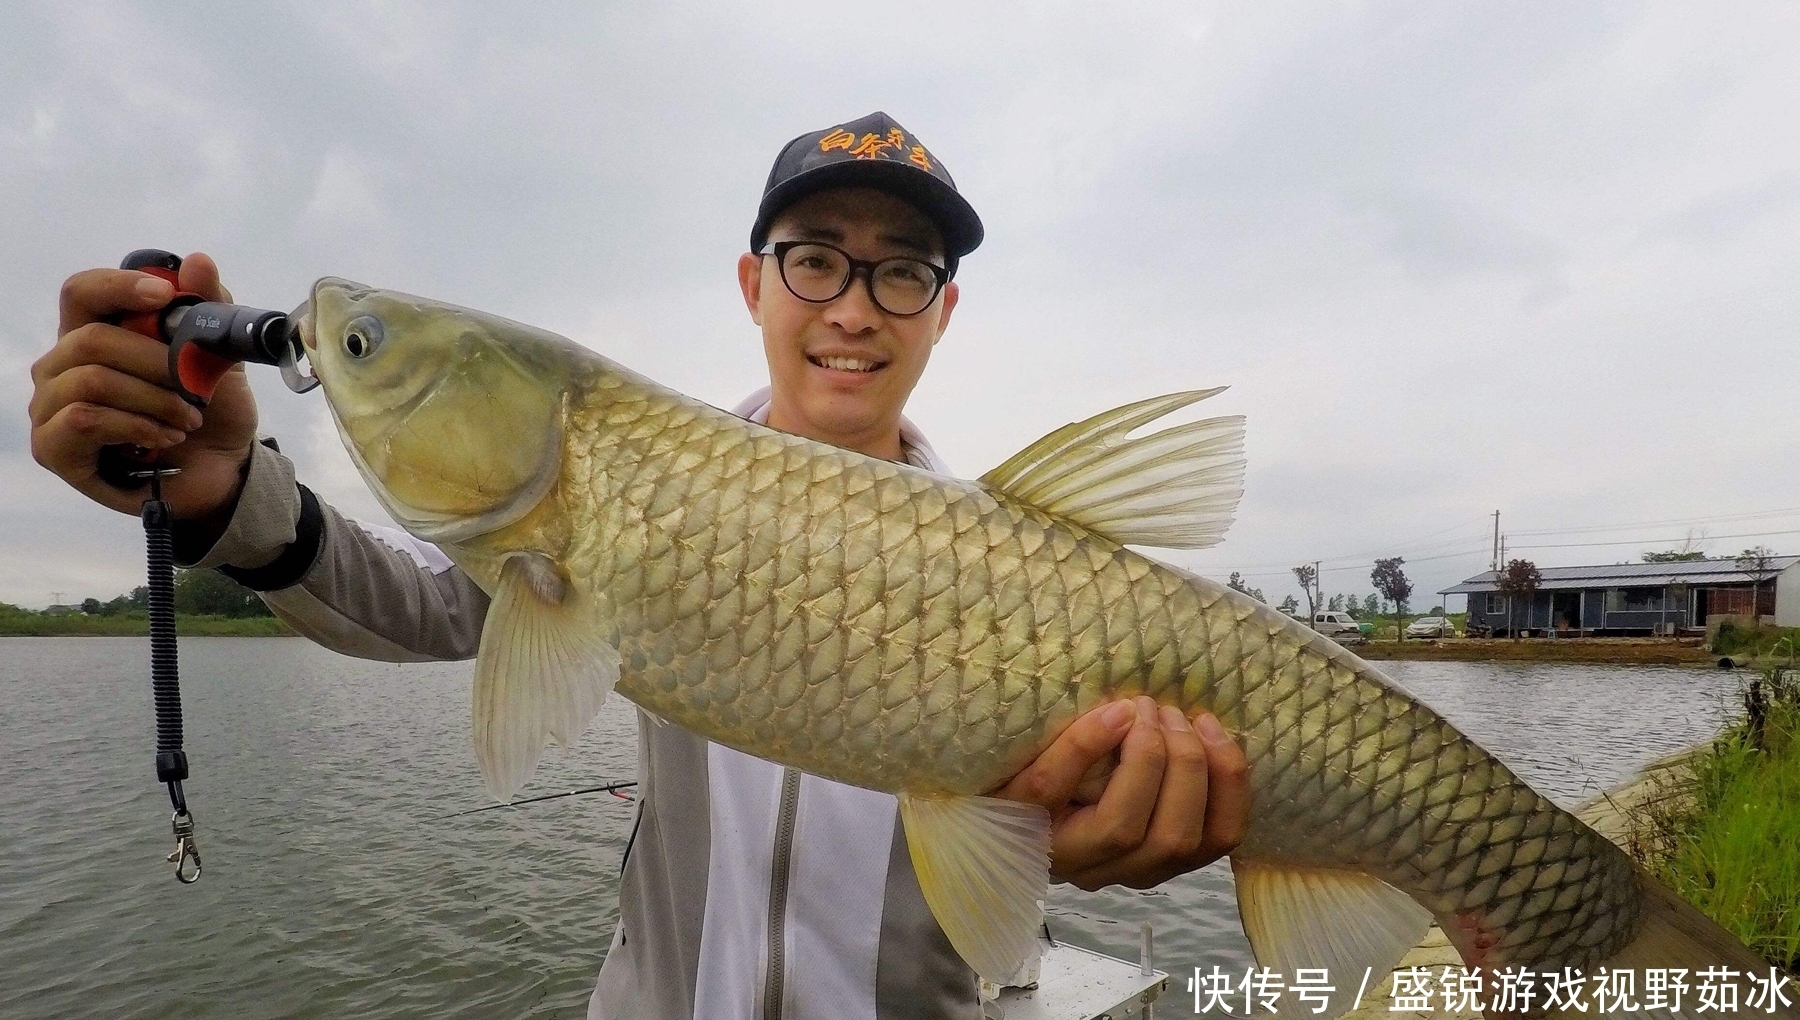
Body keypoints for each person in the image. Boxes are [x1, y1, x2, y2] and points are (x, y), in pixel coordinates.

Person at [32, 111, 1250, 1020]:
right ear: (753, 284)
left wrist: (1108, 841)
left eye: (903, 270)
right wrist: (227, 500)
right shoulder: (601, 499)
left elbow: (1053, 841)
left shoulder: (1033, 566)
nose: (853, 306)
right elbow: (411, 604)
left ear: (943, 312)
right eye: (815, 256)